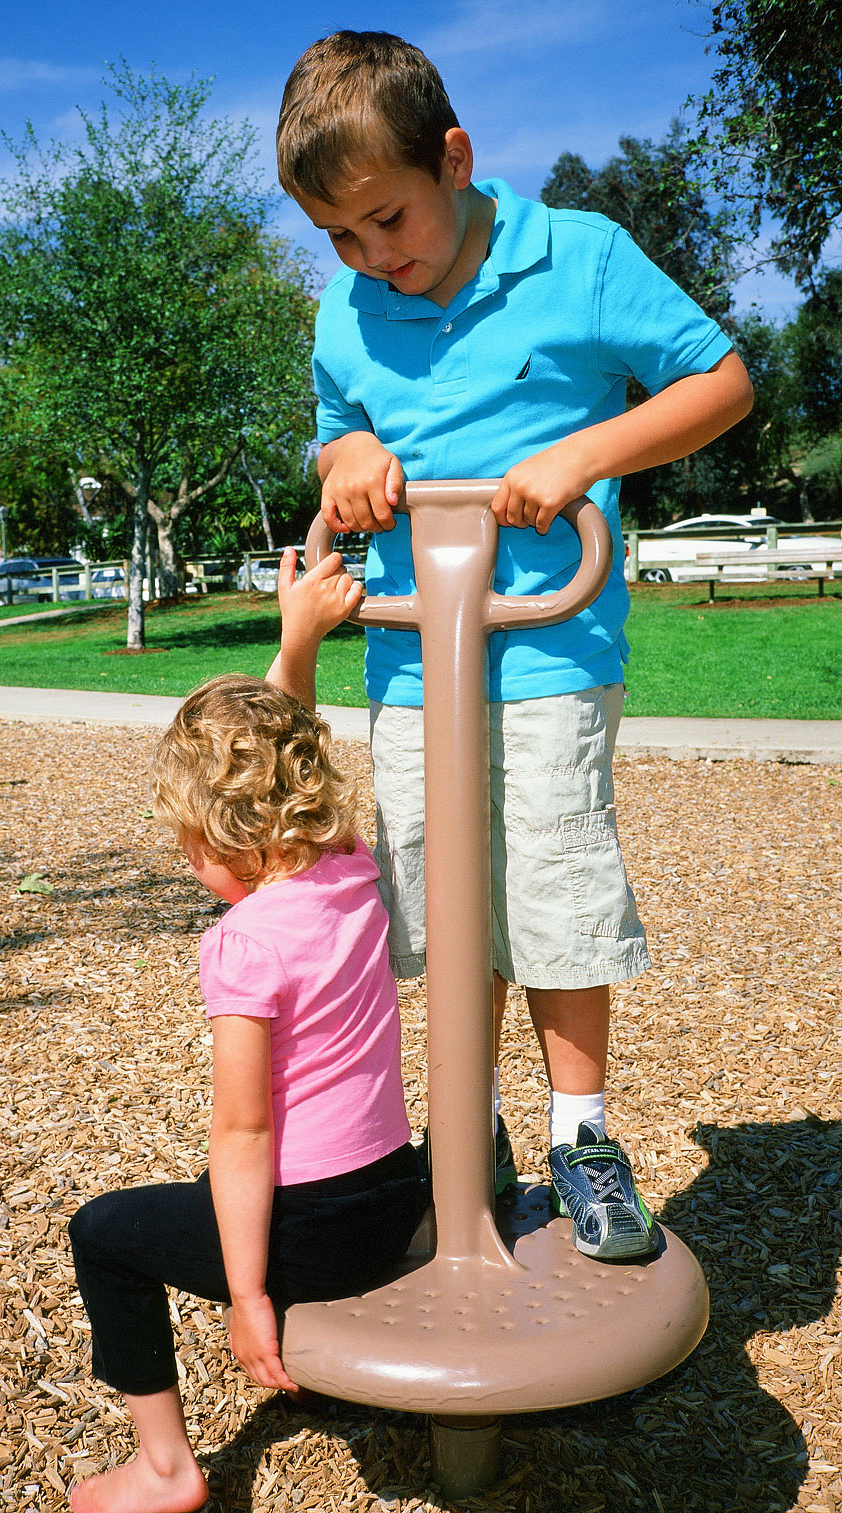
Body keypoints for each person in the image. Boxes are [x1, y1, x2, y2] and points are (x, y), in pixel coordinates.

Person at [277, 30, 754, 1261]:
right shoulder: (347, 309)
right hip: (406, 657)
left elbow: (720, 381)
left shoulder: (579, 256)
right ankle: (465, 1129)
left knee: (552, 882)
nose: (374, 257)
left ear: (454, 157)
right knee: (437, 897)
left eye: (388, 219)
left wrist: (583, 455)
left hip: (548, 642)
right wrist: (350, 461)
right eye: (341, 237)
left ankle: (582, 1133)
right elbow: (338, 431)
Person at [68, 551, 427, 1513]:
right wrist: (297, 637)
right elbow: (286, 736)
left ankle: (164, 1468)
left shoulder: (243, 944)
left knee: (104, 1233)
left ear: (220, 839)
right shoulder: (351, 865)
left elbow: (244, 1133)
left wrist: (251, 1293)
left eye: (189, 847)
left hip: (311, 1229)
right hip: (397, 1198)